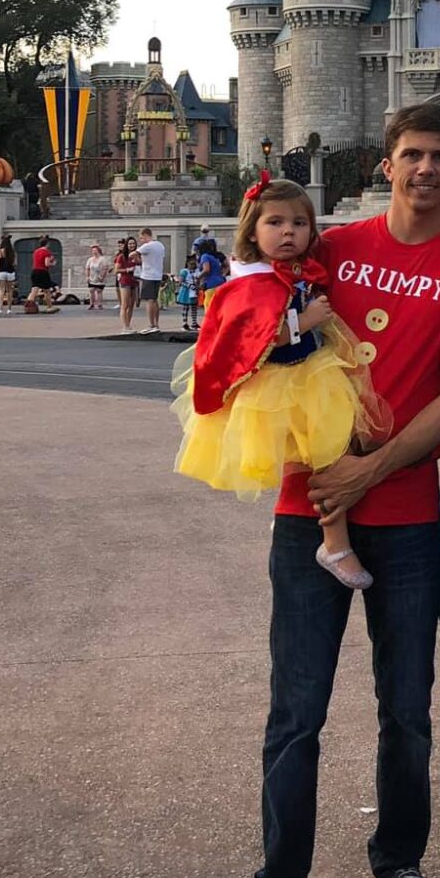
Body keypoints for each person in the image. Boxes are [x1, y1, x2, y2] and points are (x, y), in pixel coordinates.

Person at [250, 105, 440, 878]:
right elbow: (264, 318)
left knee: (408, 712)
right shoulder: (339, 247)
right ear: (387, 163)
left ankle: (399, 860)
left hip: (404, 524)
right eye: (411, 156)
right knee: (297, 713)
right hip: (306, 508)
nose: (424, 170)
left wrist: (377, 467)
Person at [173, 174, 391, 590]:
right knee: (328, 459)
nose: (288, 231)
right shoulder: (252, 282)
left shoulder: (291, 272)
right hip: (283, 385)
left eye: (298, 223)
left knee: (335, 451)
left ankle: (317, 531)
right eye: (275, 222)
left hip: (311, 373)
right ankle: (334, 542)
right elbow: (253, 340)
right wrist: (304, 321)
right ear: (252, 231)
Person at [135, 228, 166, 333]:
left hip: (148, 276)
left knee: (149, 300)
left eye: (141, 237)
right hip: (157, 275)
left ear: (145, 235)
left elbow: (133, 254)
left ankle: (151, 324)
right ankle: (156, 324)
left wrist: (133, 257)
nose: (140, 240)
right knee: (154, 300)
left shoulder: (147, 246)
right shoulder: (160, 245)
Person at [196, 235, 226, 324]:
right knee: (218, 306)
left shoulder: (205, 256)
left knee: (208, 305)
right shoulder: (213, 257)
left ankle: (211, 326)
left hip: (212, 285)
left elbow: (206, 269)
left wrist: (198, 277)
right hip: (220, 282)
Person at [114, 238, 139, 332]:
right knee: (125, 305)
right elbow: (116, 270)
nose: (131, 245)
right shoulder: (121, 256)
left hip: (134, 281)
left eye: (133, 243)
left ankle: (128, 324)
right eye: (129, 244)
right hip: (125, 281)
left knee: (132, 305)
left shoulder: (137, 256)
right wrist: (127, 270)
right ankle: (124, 326)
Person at [29, 236, 57, 310]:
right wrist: (53, 263)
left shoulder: (36, 251)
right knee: (47, 291)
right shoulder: (46, 252)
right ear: (47, 244)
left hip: (35, 271)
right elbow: (46, 264)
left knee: (34, 290)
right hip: (43, 272)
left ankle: (28, 305)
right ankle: (49, 306)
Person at [84, 243, 111, 313]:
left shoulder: (102, 259)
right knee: (91, 290)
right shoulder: (90, 259)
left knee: (99, 291)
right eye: (93, 250)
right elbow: (87, 268)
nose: (94, 252)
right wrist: (87, 276)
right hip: (92, 277)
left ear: (98, 251)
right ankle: (91, 304)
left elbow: (105, 268)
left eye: (95, 250)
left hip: (99, 277)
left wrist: (102, 276)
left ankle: (99, 304)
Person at [175, 253, 200, 333]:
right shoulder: (184, 271)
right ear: (187, 263)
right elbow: (180, 282)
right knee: (185, 308)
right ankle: (184, 323)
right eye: (191, 264)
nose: (192, 265)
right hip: (186, 291)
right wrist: (189, 286)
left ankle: (194, 323)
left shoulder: (197, 271)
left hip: (194, 292)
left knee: (194, 308)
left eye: (194, 263)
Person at [0, 238, 17, 317]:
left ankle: (0, 309)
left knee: (1, 290)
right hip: (10, 272)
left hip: (1, 271)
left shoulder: (0, 251)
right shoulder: (12, 252)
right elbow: (15, 263)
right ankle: (9, 309)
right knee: (9, 291)